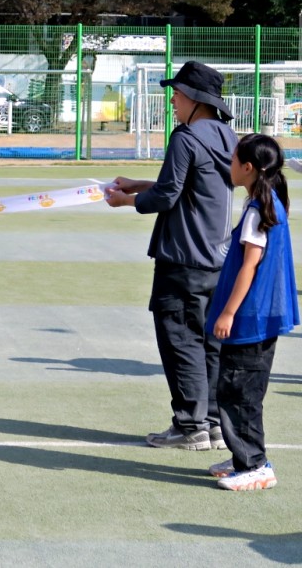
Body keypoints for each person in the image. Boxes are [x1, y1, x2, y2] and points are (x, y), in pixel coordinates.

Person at [104, 61, 237, 451]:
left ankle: (190, 424)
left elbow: (166, 195)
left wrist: (125, 201)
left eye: (176, 95)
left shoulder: (186, 137)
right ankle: (210, 422)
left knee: (180, 340)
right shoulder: (227, 137)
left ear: (195, 100)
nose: (173, 102)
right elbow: (184, 186)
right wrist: (135, 184)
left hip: (182, 258)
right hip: (216, 259)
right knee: (210, 344)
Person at [205, 134, 298, 490]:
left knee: (238, 392)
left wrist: (228, 313)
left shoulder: (258, 208)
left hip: (250, 316)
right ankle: (242, 452)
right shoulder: (270, 200)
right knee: (243, 389)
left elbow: (249, 267)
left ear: (247, 167)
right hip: (261, 314)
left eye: (232, 161)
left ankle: (255, 464)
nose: (228, 166)